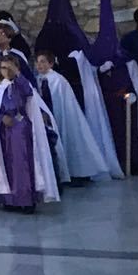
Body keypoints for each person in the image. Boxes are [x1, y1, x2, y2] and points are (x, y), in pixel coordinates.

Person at [0, 54, 59, 213]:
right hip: (4, 131)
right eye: (4, 68)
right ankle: (9, 199)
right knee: (6, 163)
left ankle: (25, 199)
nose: (7, 71)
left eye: (10, 68)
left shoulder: (22, 84)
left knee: (21, 163)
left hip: (21, 127)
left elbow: (28, 94)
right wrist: (1, 117)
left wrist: (17, 74)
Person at [35, 50, 112, 184]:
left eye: (43, 61)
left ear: (51, 64)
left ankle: (77, 174)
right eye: (37, 62)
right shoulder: (38, 79)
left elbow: (63, 100)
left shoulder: (58, 80)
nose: (39, 65)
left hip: (62, 115)